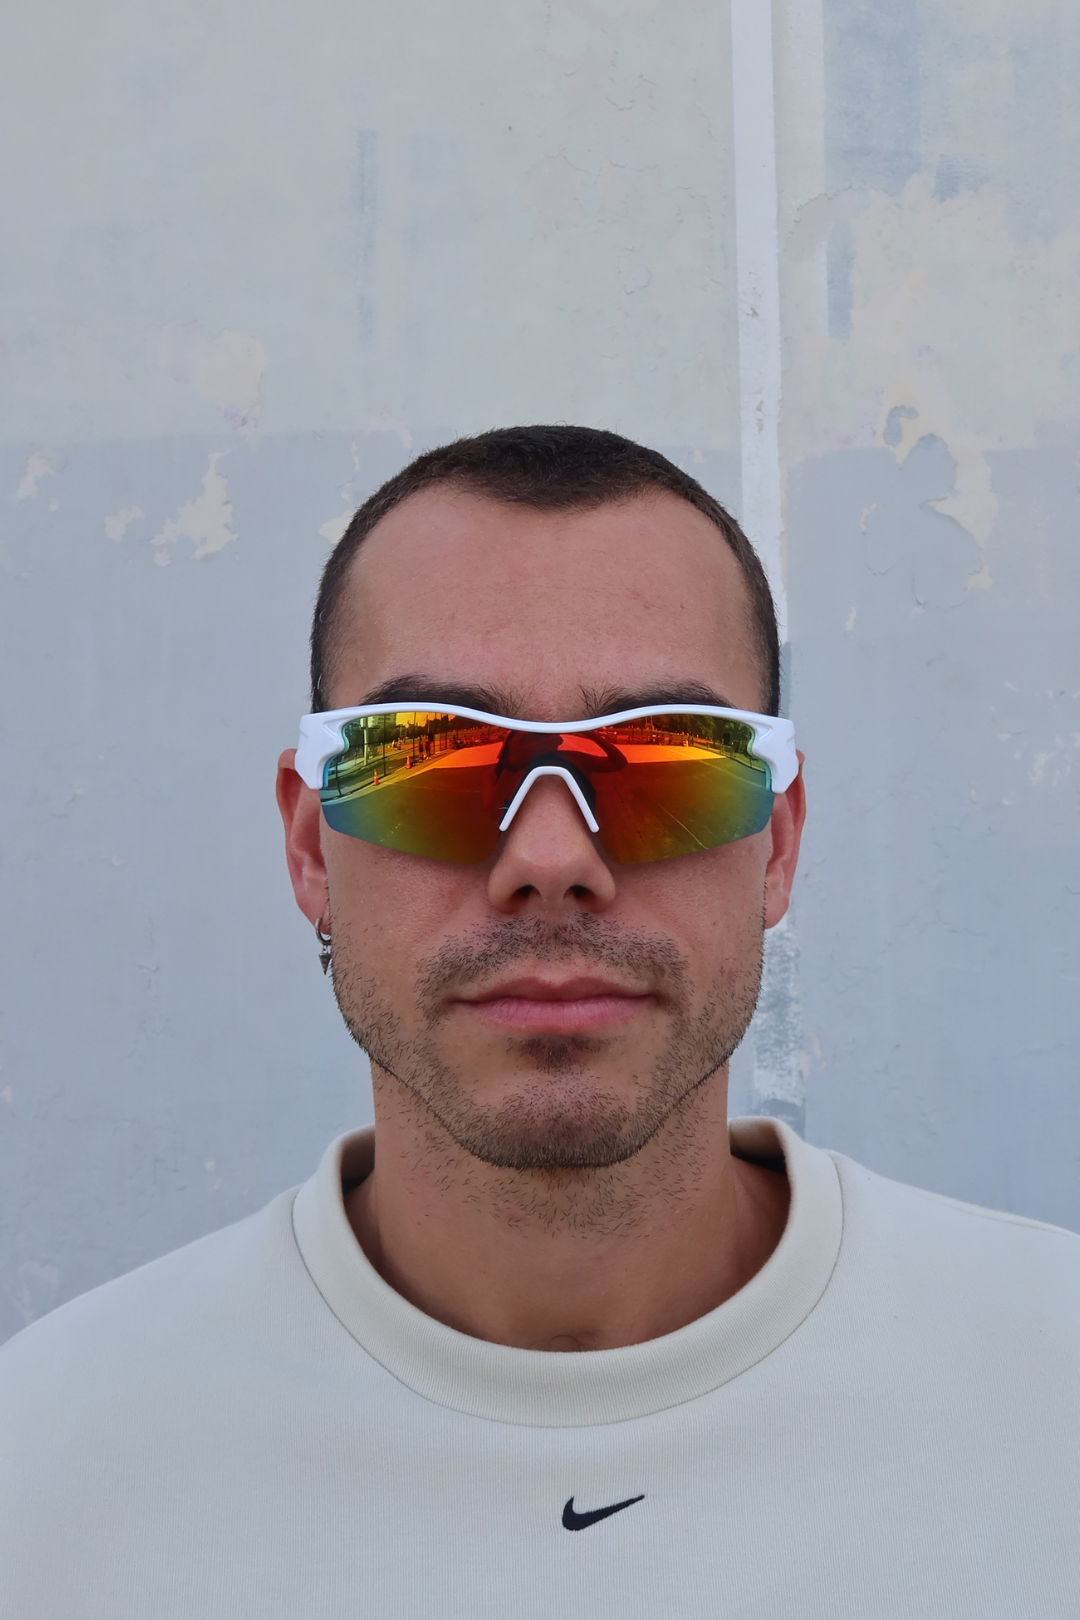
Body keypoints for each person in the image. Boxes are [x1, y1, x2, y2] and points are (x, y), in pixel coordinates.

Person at [2, 425, 1078, 1617]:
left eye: (670, 760)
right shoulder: (44, 1466)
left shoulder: (1054, 1386)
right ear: (312, 848)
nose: (552, 858)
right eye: (431, 762)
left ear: (776, 846)